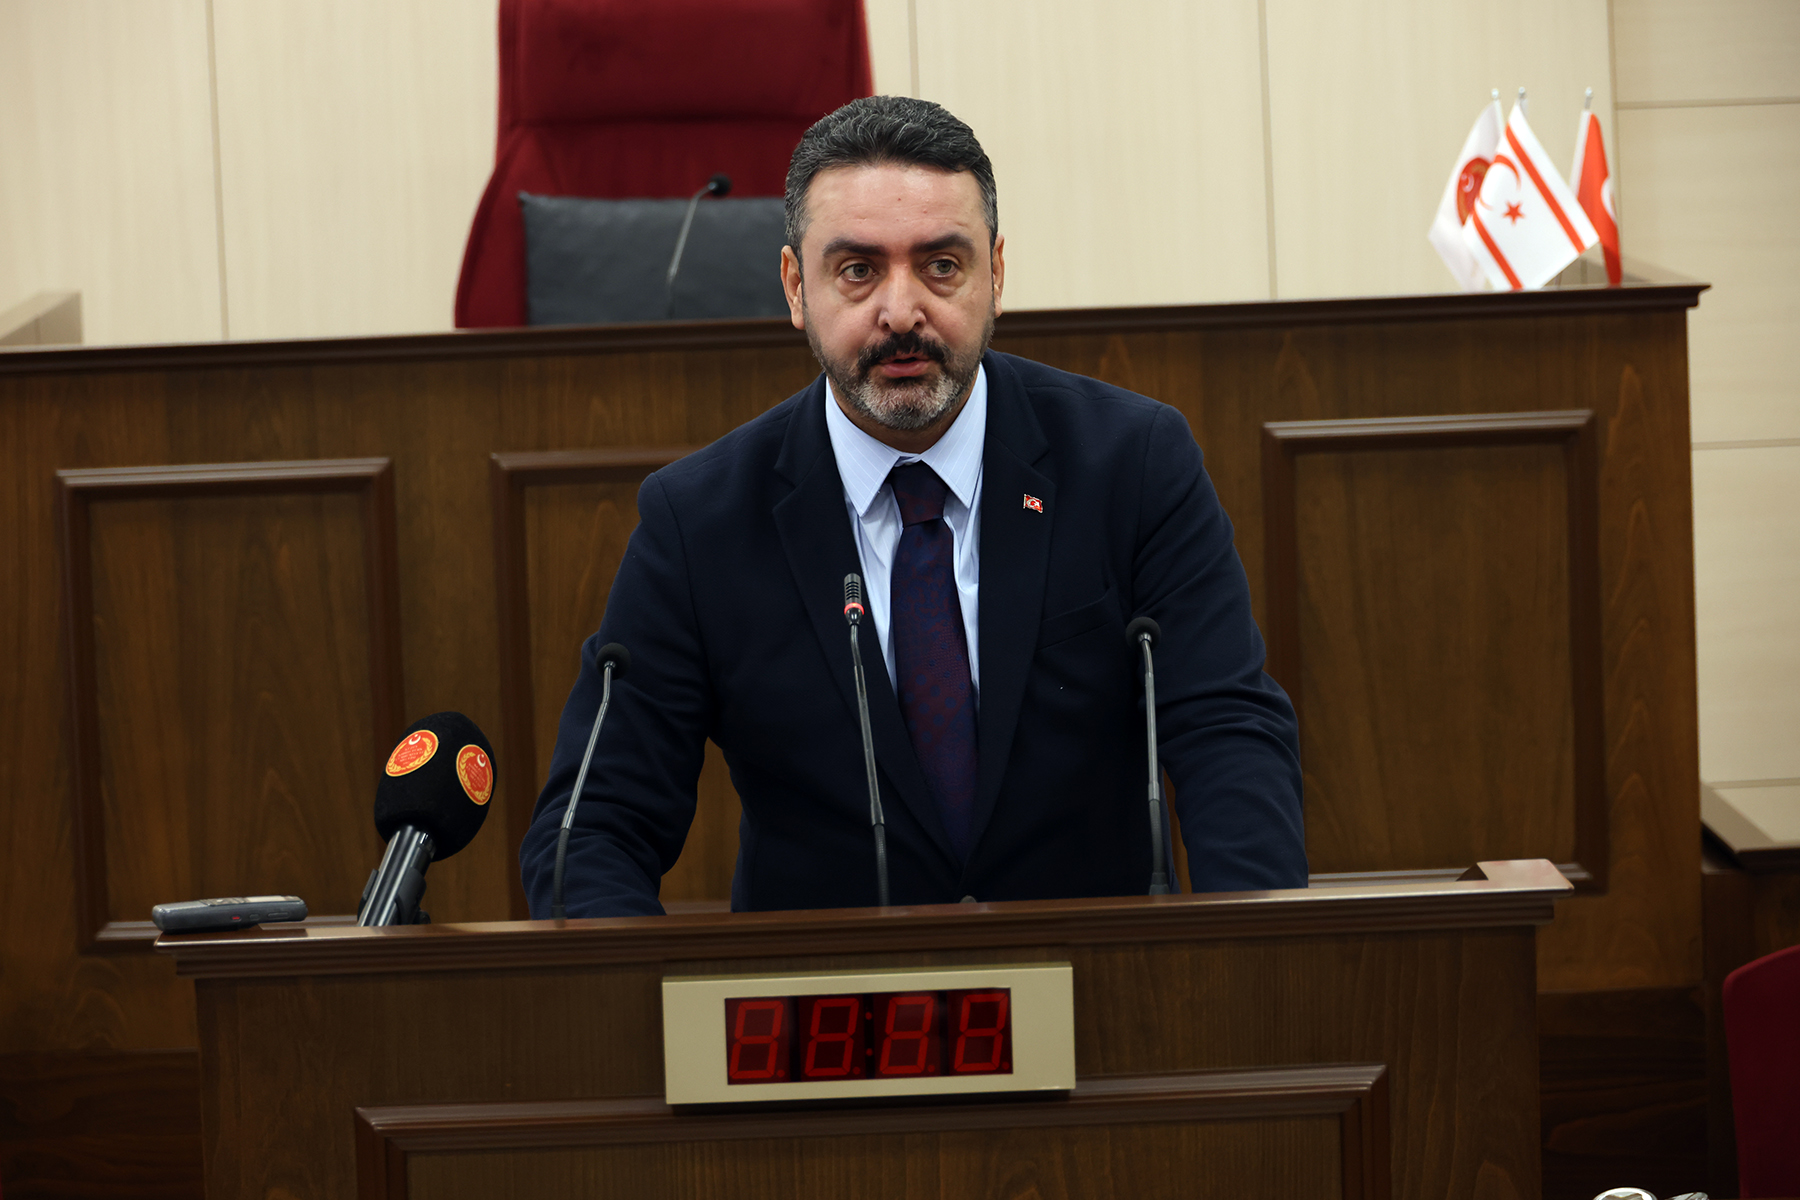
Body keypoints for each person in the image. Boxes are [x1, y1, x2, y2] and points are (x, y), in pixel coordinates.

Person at [520, 96, 1306, 917]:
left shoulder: (1132, 464)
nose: (901, 312)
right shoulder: (700, 522)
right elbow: (593, 827)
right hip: (823, 993)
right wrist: (641, 991)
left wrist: (1242, 964)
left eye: (941, 265)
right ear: (796, 287)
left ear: (995, 275)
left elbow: (1229, 737)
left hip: (1099, 981)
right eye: (858, 270)